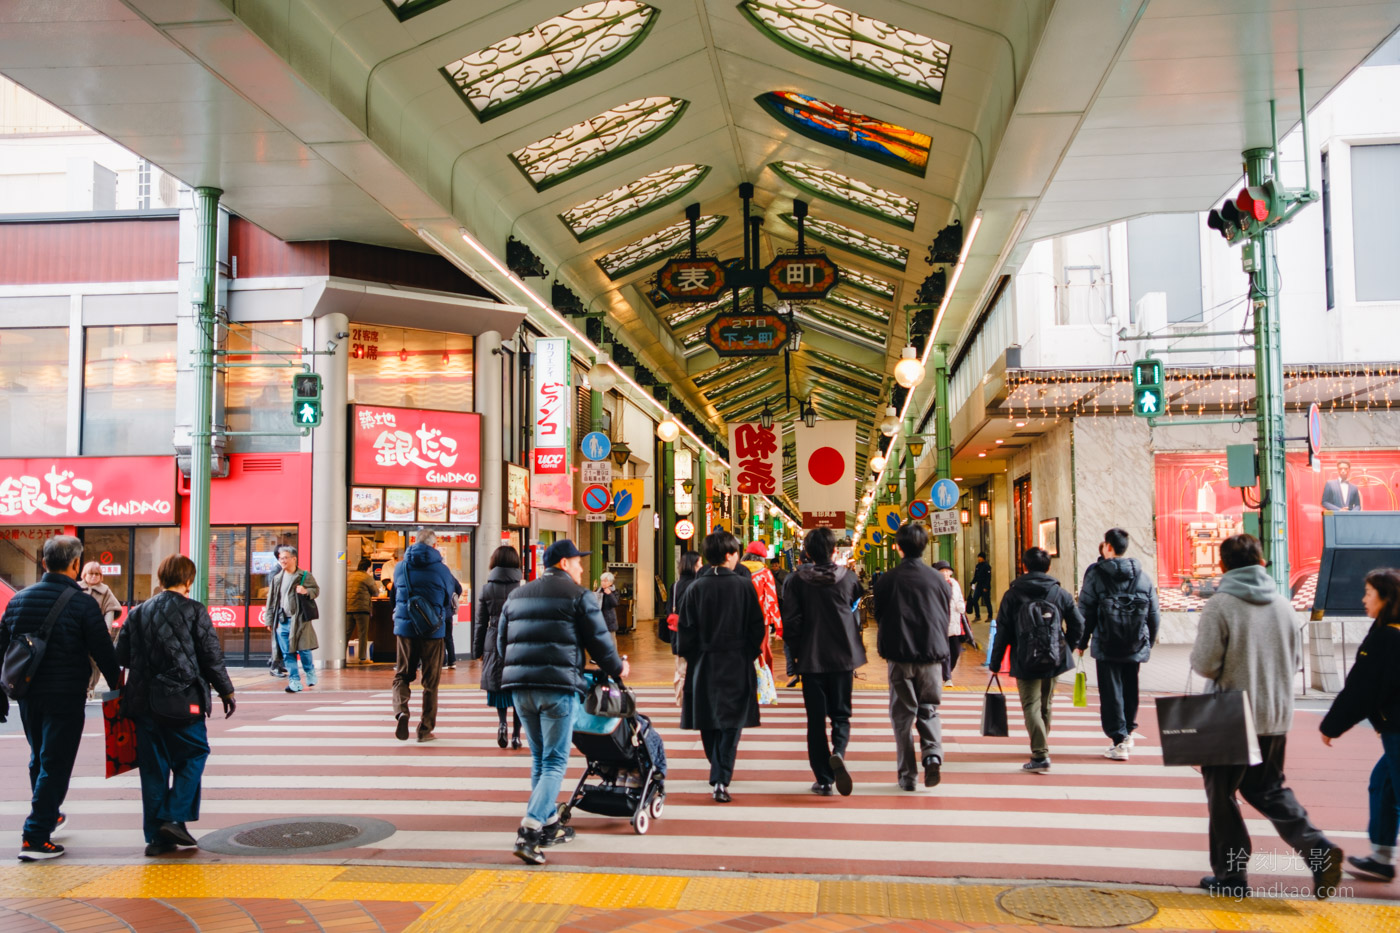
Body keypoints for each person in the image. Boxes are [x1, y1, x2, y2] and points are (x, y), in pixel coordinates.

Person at [1190, 533, 1342, 899]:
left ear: (1223, 566)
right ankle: (1317, 849)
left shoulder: (1220, 605)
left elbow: (1205, 664)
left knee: (1222, 796)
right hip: (1275, 715)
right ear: (1261, 563)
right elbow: (1295, 663)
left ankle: (1231, 877)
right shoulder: (1283, 604)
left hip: (1230, 717)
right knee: (1268, 788)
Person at [497, 539, 628, 864]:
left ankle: (551, 822)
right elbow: (600, 643)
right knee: (555, 760)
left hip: (520, 688)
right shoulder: (578, 596)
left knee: (541, 758)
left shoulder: (517, 595)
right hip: (557, 688)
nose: (582, 567)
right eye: (578, 561)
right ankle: (529, 831)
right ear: (564, 563)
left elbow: (501, 645)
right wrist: (618, 668)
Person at [0, 535, 120, 861]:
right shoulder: (83, 603)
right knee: (56, 762)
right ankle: (35, 837)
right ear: (75, 565)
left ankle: (49, 815)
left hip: (26, 694)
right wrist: (118, 687)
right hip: (65, 695)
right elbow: (103, 650)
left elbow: (3, 649)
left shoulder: (19, 599)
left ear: (43, 563)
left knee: (39, 757)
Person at [115, 554, 236, 856]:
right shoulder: (195, 610)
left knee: (154, 769)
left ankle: (158, 838)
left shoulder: (138, 612)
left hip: (143, 702)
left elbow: (122, 656)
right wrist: (226, 691)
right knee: (194, 754)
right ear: (188, 580)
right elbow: (211, 657)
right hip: (183, 700)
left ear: (160, 578)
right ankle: (172, 815)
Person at [1321, 568, 1400, 884]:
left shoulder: (1386, 637)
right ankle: (1381, 857)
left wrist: (1332, 726)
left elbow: (1361, 689)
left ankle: (1381, 856)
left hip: (1398, 730)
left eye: (1369, 593)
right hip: (1394, 727)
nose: (1363, 599)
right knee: (1383, 784)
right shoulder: (1390, 631)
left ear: (1386, 598)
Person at [677, 530, 765, 803]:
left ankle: (717, 770)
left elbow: (685, 632)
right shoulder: (743, 586)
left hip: (704, 662)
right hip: (737, 660)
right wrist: (746, 653)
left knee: (707, 719)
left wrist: (693, 656)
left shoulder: (695, 588)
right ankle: (721, 777)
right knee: (732, 721)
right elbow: (756, 627)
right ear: (729, 555)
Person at [782, 527, 866, 796]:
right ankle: (839, 751)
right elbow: (854, 604)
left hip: (811, 657)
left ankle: (824, 779)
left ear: (807, 552)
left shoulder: (795, 581)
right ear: (834, 551)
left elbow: (792, 622)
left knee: (815, 720)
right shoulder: (848, 578)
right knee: (841, 714)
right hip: (843, 657)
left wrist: (795, 654)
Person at [988, 547, 1083, 774]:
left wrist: (995, 662)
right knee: (1046, 703)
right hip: (1053, 657)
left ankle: (1040, 753)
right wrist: (1065, 648)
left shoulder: (1012, 594)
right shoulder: (1060, 593)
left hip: (1024, 657)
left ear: (1024, 566)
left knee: (1031, 704)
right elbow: (1078, 624)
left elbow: (1002, 631)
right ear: (1048, 567)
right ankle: (1040, 742)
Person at [875, 523, 951, 792]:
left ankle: (908, 776)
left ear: (898, 547)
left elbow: (880, 615)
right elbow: (945, 616)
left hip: (900, 655)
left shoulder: (887, 579)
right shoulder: (938, 580)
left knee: (902, 718)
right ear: (925, 546)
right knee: (929, 709)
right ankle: (932, 755)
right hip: (931, 655)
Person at [1076, 528, 1160, 761]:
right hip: (1135, 642)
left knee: (1111, 690)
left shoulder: (1096, 575)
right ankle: (1128, 732)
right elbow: (1154, 614)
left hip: (1107, 642)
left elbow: (1086, 612)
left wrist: (1081, 641)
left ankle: (1119, 739)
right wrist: (1148, 642)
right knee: (1130, 685)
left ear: (1108, 547)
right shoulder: (1142, 576)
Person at [391, 528, 461, 743]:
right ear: (434, 545)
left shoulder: (400, 567)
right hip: (433, 630)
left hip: (405, 629)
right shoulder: (442, 570)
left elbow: (394, 597)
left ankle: (401, 711)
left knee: (402, 675)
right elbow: (452, 594)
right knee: (431, 682)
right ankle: (425, 729)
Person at [475, 545, 524, 750]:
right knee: (519, 688)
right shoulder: (522, 588)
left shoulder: (487, 589)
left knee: (498, 683)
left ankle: (502, 724)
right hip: (518, 639)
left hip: (493, 638)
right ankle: (516, 736)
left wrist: (477, 650)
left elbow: (480, 622)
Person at [264, 546, 319, 694]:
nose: (282, 561)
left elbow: (316, 590)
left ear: (294, 559)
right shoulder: (277, 578)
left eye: (285, 558)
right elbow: (271, 601)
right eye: (280, 558)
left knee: (304, 650)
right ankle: (294, 681)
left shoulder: (304, 575)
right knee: (288, 653)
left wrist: (306, 591)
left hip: (300, 620)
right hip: (282, 621)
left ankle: (309, 671)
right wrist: (269, 620)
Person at [80, 561, 123, 696]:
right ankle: (85, 687)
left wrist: (107, 628)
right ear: (84, 574)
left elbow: (111, 609)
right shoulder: (76, 588)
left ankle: (90, 686)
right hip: (79, 632)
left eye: (97, 574)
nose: (94, 577)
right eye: (91, 574)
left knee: (96, 663)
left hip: (97, 632)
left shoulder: (105, 590)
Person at [740, 540, 783, 671]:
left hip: (739, 617)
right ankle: (763, 682)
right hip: (760, 618)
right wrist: (778, 626)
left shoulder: (737, 570)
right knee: (761, 650)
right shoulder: (765, 573)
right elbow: (771, 600)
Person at [669, 550, 702, 706]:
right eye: (700, 563)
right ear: (693, 565)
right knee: (695, 670)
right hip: (695, 634)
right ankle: (690, 702)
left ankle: (680, 700)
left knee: (681, 670)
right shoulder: (698, 585)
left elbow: (668, 610)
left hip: (678, 634)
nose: (702, 566)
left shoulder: (675, 586)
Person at [931, 561, 967, 687]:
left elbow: (960, 598)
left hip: (955, 622)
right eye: (942, 571)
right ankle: (947, 678)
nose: (945, 573)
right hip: (940, 623)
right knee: (945, 651)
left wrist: (961, 606)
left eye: (947, 571)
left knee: (956, 651)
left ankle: (946, 672)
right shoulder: (935, 585)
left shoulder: (955, 584)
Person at [345, 558, 381, 664]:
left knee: (346, 634)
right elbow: (376, 593)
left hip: (348, 608)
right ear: (368, 567)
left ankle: (342, 656)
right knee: (362, 634)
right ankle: (362, 658)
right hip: (361, 609)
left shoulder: (350, 576)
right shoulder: (367, 577)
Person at [968, 552, 993, 621]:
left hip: (985, 587)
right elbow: (976, 576)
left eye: (980, 557)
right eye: (978, 557)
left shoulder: (987, 566)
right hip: (979, 586)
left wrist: (986, 587)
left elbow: (988, 578)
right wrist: (972, 583)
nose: (979, 559)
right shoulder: (977, 566)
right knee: (974, 600)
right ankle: (977, 616)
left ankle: (990, 616)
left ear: (983, 558)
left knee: (987, 601)